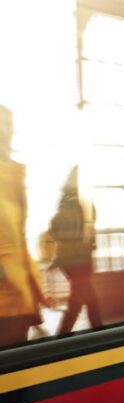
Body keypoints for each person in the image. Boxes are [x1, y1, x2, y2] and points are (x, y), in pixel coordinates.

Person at [0, 104, 46, 348]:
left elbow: (19, 236)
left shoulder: (14, 173)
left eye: (8, 126)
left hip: (19, 295)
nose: (6, 131)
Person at [49, 166, 102, 334]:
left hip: (68, 261)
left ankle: (98, 329)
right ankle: (65, 336)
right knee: (79, 298)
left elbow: (53, 229)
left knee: (86, 296)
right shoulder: (85, 204)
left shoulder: (62, 205)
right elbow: (91, 225)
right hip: (81, 260)